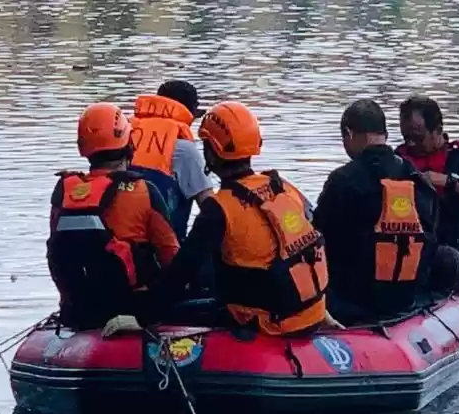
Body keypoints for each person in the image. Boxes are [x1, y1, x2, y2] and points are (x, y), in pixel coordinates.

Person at [133, 101, 341, 337]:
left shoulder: (218, 209)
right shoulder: (282, 186)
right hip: (310, 310)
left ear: (211, 152)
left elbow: (180, 274)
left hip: (265, 321)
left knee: (173, 306)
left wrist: (139, 317)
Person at [313, 99, 459, 325]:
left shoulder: (342, 181)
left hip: (352, 303)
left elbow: (317, 240)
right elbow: (430, 240)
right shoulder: (418, 179)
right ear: (384, 132)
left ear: (349, 132)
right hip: (407, 299)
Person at [47, 102, 180, 331]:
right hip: (133, 309)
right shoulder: (144, 191)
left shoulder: (64, 192)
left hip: (79, 312)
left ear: (83, 147)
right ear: (128, 142)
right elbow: (173, 259)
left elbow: (57, 250)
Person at [396, 95, 459, 289]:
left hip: (452, 258)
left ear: (438, 131)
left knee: (445, 259)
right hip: (404, 259)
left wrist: (449, 182)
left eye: (418, 137)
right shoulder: (396, 162)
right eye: (406, 137)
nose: (410, 144)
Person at [129, 80, 214, 241]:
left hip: (119, 245)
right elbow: (211, 209)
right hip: (164, 251)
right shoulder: (184, 150)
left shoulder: (125, 136)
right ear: (188, 113)